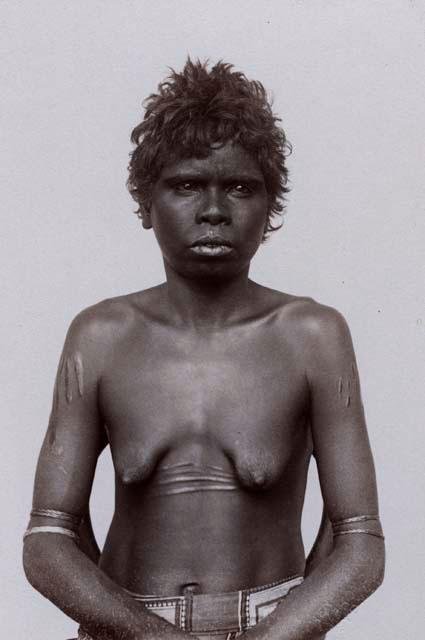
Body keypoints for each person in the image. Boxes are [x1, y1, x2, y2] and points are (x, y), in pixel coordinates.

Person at [23, 59, 385, 640]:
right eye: (187, 185)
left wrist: (276, 635)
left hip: (273, 627)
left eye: (240, 187)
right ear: (147, 202)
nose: (214, 210)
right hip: (123, 629)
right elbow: (47, 538)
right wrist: (147, 632)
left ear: (270, 208)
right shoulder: (100, 336)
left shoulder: (312, 335)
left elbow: (360, 541)